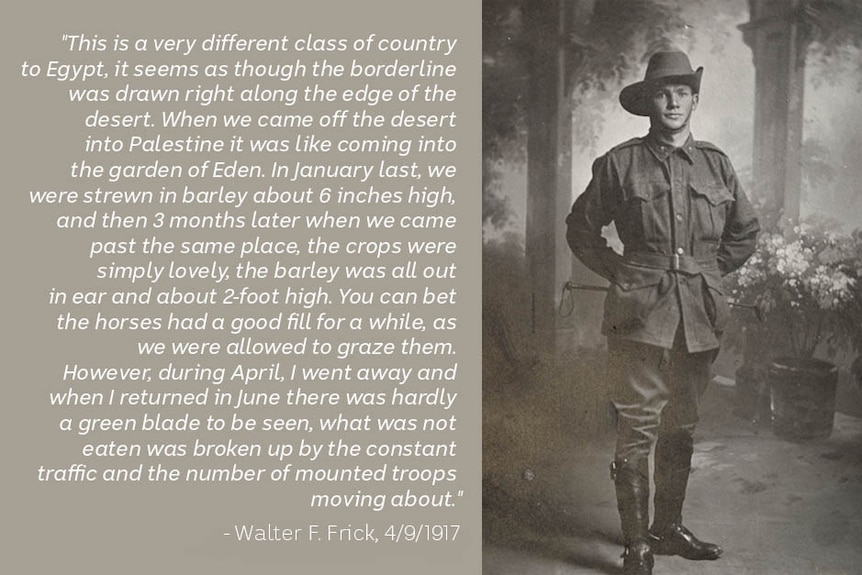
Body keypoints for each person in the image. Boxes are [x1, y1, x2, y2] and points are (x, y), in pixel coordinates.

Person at [565, 50, 760, 575]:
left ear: (694, 100)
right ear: (648, 102)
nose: (673, 101)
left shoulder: (717, 164)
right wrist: (624, 272)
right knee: (637, 424)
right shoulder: (619, 163)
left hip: (699, 315)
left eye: (681, 91)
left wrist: (706, 273)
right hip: (640, 315)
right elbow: (581, 231)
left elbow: (745, 230)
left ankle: (667, 529)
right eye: (662, 92)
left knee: (684, 422)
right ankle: (637, 545)